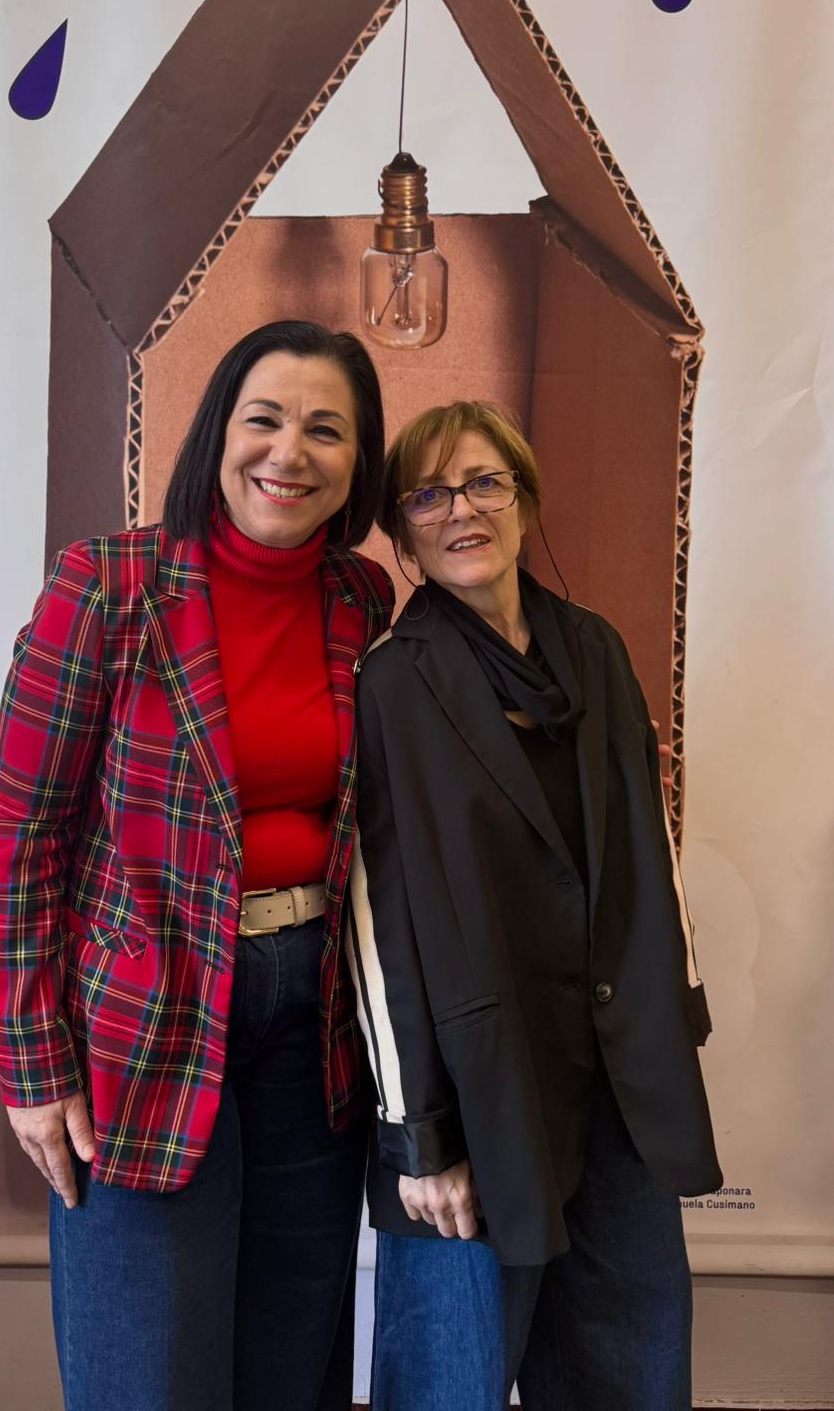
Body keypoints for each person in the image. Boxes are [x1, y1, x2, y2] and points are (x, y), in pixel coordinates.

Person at [0, 320, 394, 1411]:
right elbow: (21, 832)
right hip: (142, 1024)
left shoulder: (360, 601)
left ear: (359, 463)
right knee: (146, 1371)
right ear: (218, 431)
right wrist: (34, 1065)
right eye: (265, 419)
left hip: (314, 1026)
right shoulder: (107, 586)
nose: (289, 452)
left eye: (326, 430)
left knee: (291, 1363)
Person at [346, 399, 722, 1411]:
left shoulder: (595, 648)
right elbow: (378, 930)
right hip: (477, 1095)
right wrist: (419, 1135)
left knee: (631, 1372)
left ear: (524, 498)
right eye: (428, 496)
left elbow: (650, 849)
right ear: (401, 532)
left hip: (618, 1080)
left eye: (483, 482)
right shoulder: (389, 685)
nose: (460, 510)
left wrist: (676, 1020)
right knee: (451, 1381)